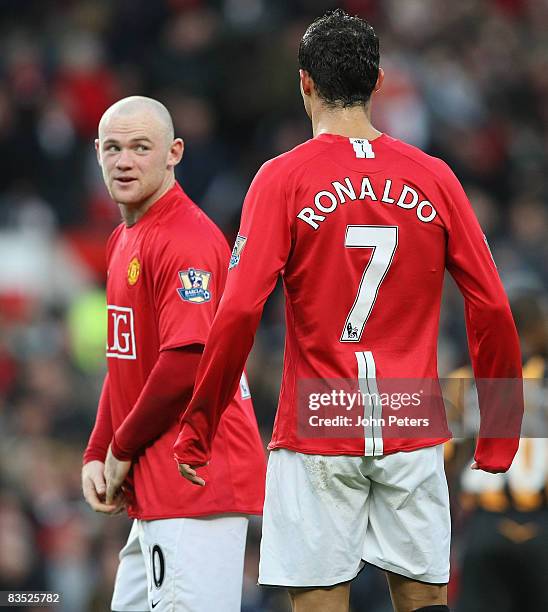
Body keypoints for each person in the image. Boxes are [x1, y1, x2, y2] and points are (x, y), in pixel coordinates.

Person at [174, 10, 525, 612]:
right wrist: (498, 434)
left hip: (317, 421)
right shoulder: (434, 177)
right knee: (426, 600)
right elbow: (492, 303)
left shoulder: (281, 180)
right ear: (380, 82)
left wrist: (199, 429)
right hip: (410, 418)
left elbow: (235, 314)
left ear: (304, 83)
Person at [81, 96, 265, 612]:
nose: (124, 161)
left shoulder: (185, 238)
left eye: (141, 147)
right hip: (158, 488)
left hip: (195, 482)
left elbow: (187, 361)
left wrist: (119, 450)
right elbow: (127, 362)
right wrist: (98, 450)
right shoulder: (125, 237)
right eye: (113, 148)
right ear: (96, 152)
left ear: (174, 153)